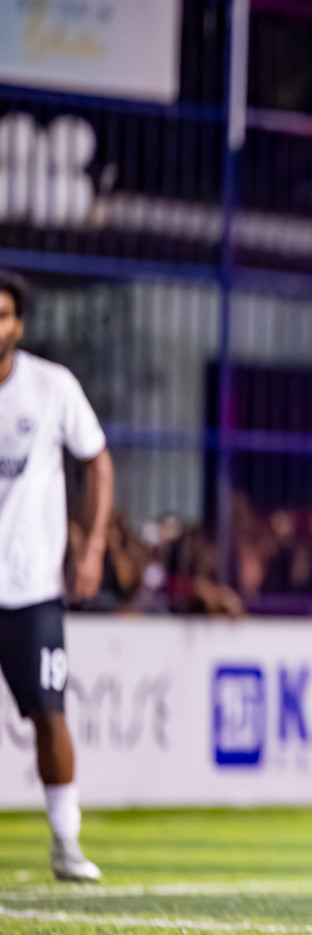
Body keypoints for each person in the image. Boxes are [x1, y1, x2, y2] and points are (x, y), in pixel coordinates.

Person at [0, 270, 113, 882]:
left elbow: (98, 461)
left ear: (18, 325)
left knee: (49, 712)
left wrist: (92, 547)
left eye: (3, 315)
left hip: (31, 588)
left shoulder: (50, 386)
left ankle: (66, 843)